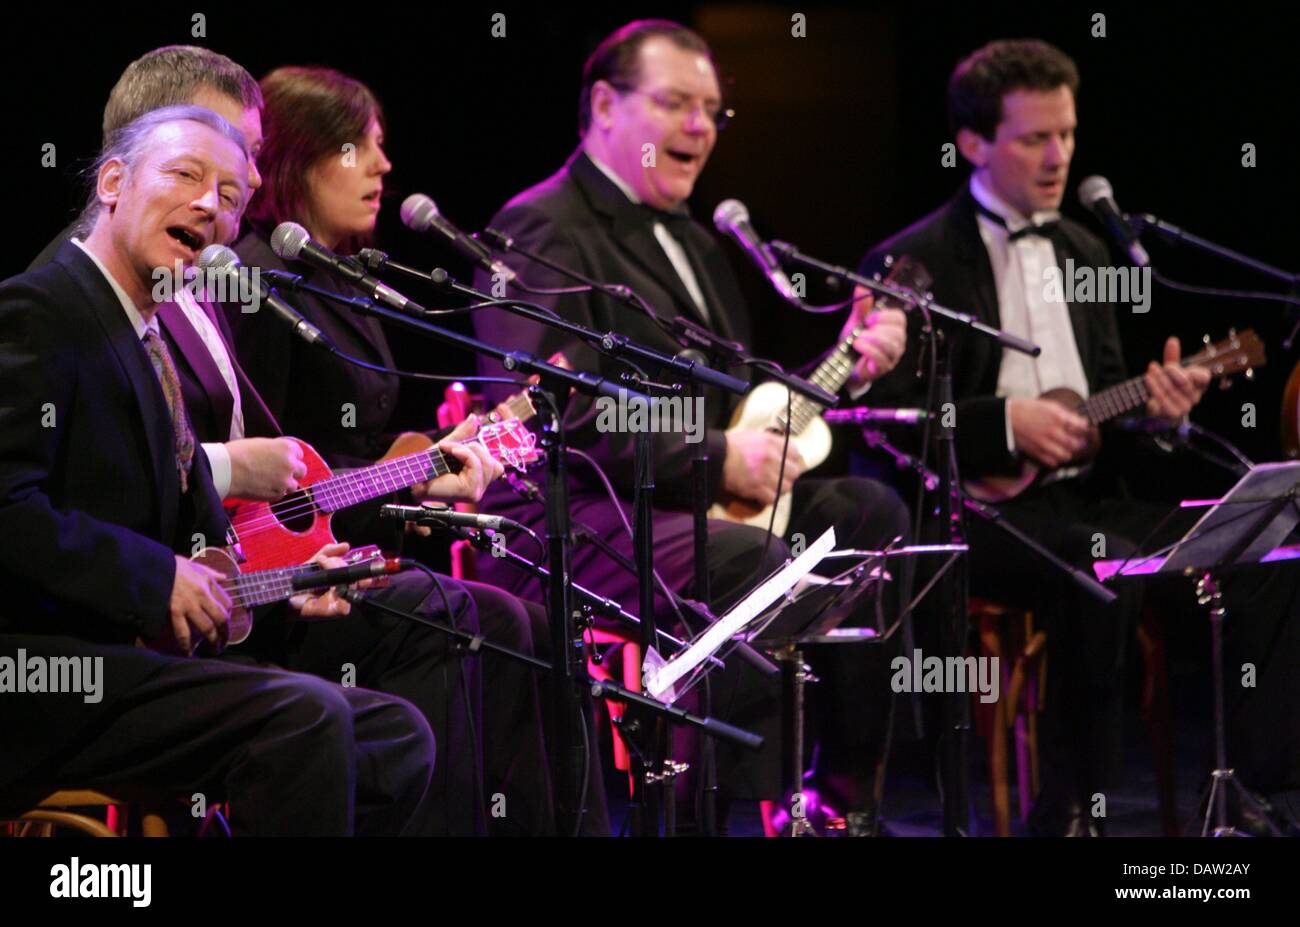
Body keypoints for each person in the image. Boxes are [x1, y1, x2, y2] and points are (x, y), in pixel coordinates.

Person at [469, 19, 913, 824]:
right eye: (676, 103)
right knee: (759, 560)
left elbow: (739, 394)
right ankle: (722, 812)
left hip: (688, 505)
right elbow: (544, 412)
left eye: (712, 110)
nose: (701, 127)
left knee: (869, 514)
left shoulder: (702, 240)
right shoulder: (541, 225)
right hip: (571, 513)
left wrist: (849, 358)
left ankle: (844, 802)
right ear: (604, 105)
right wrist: (715, 456)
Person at [0, 105, 440, 836]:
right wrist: (155, 578)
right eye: (186, 175)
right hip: (40, 673)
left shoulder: (145, 336)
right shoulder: (39, 308)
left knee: (394, 736)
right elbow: (8, 509)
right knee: (305, 716)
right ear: (113, 181)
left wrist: (279, 577)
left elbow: (191, 540)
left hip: (127, 660)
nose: (211, 205)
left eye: (233, 197)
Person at [854, 39, 1220, 834]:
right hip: (966, 514)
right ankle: (1068, 814)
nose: (1058, 157)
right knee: (1100, 568)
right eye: (1033, 137)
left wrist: (1161, 415)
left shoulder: (1087, 251)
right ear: (975, 143)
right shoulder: (913, 260)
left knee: (1237, 542)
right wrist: (1004, 423)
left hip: (1079, 495)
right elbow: (883, 427)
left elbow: (1110, 409)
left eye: (1067, 134)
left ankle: (1255, 786)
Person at [226, 65, 597, 834]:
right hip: (278, 587)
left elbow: (353, 450)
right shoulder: (258, 285)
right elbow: (261, 481)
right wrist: (401, 488)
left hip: (355, 543)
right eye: (360, 146)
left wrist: (425, 465)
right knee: (473, 617)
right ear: (301, 159)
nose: (384, 166)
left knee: (534, 620)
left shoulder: (337, 279)